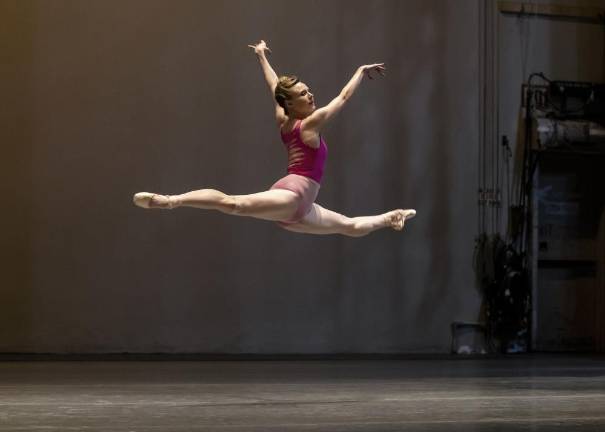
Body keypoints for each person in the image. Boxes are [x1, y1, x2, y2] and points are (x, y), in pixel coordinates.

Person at [133, 40, 416, 237]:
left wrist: (261, 55)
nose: (311, 95)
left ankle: (391, 217)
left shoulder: (284, 119)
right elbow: (342, 97)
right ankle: (170, 200)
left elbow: (273, 85)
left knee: (349, 227)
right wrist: (359, 72)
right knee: (235, 204)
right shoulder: (310, 124)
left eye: (308, 90)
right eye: (304, 94)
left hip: (299, 208)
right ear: (291, 104)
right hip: (293, 195)